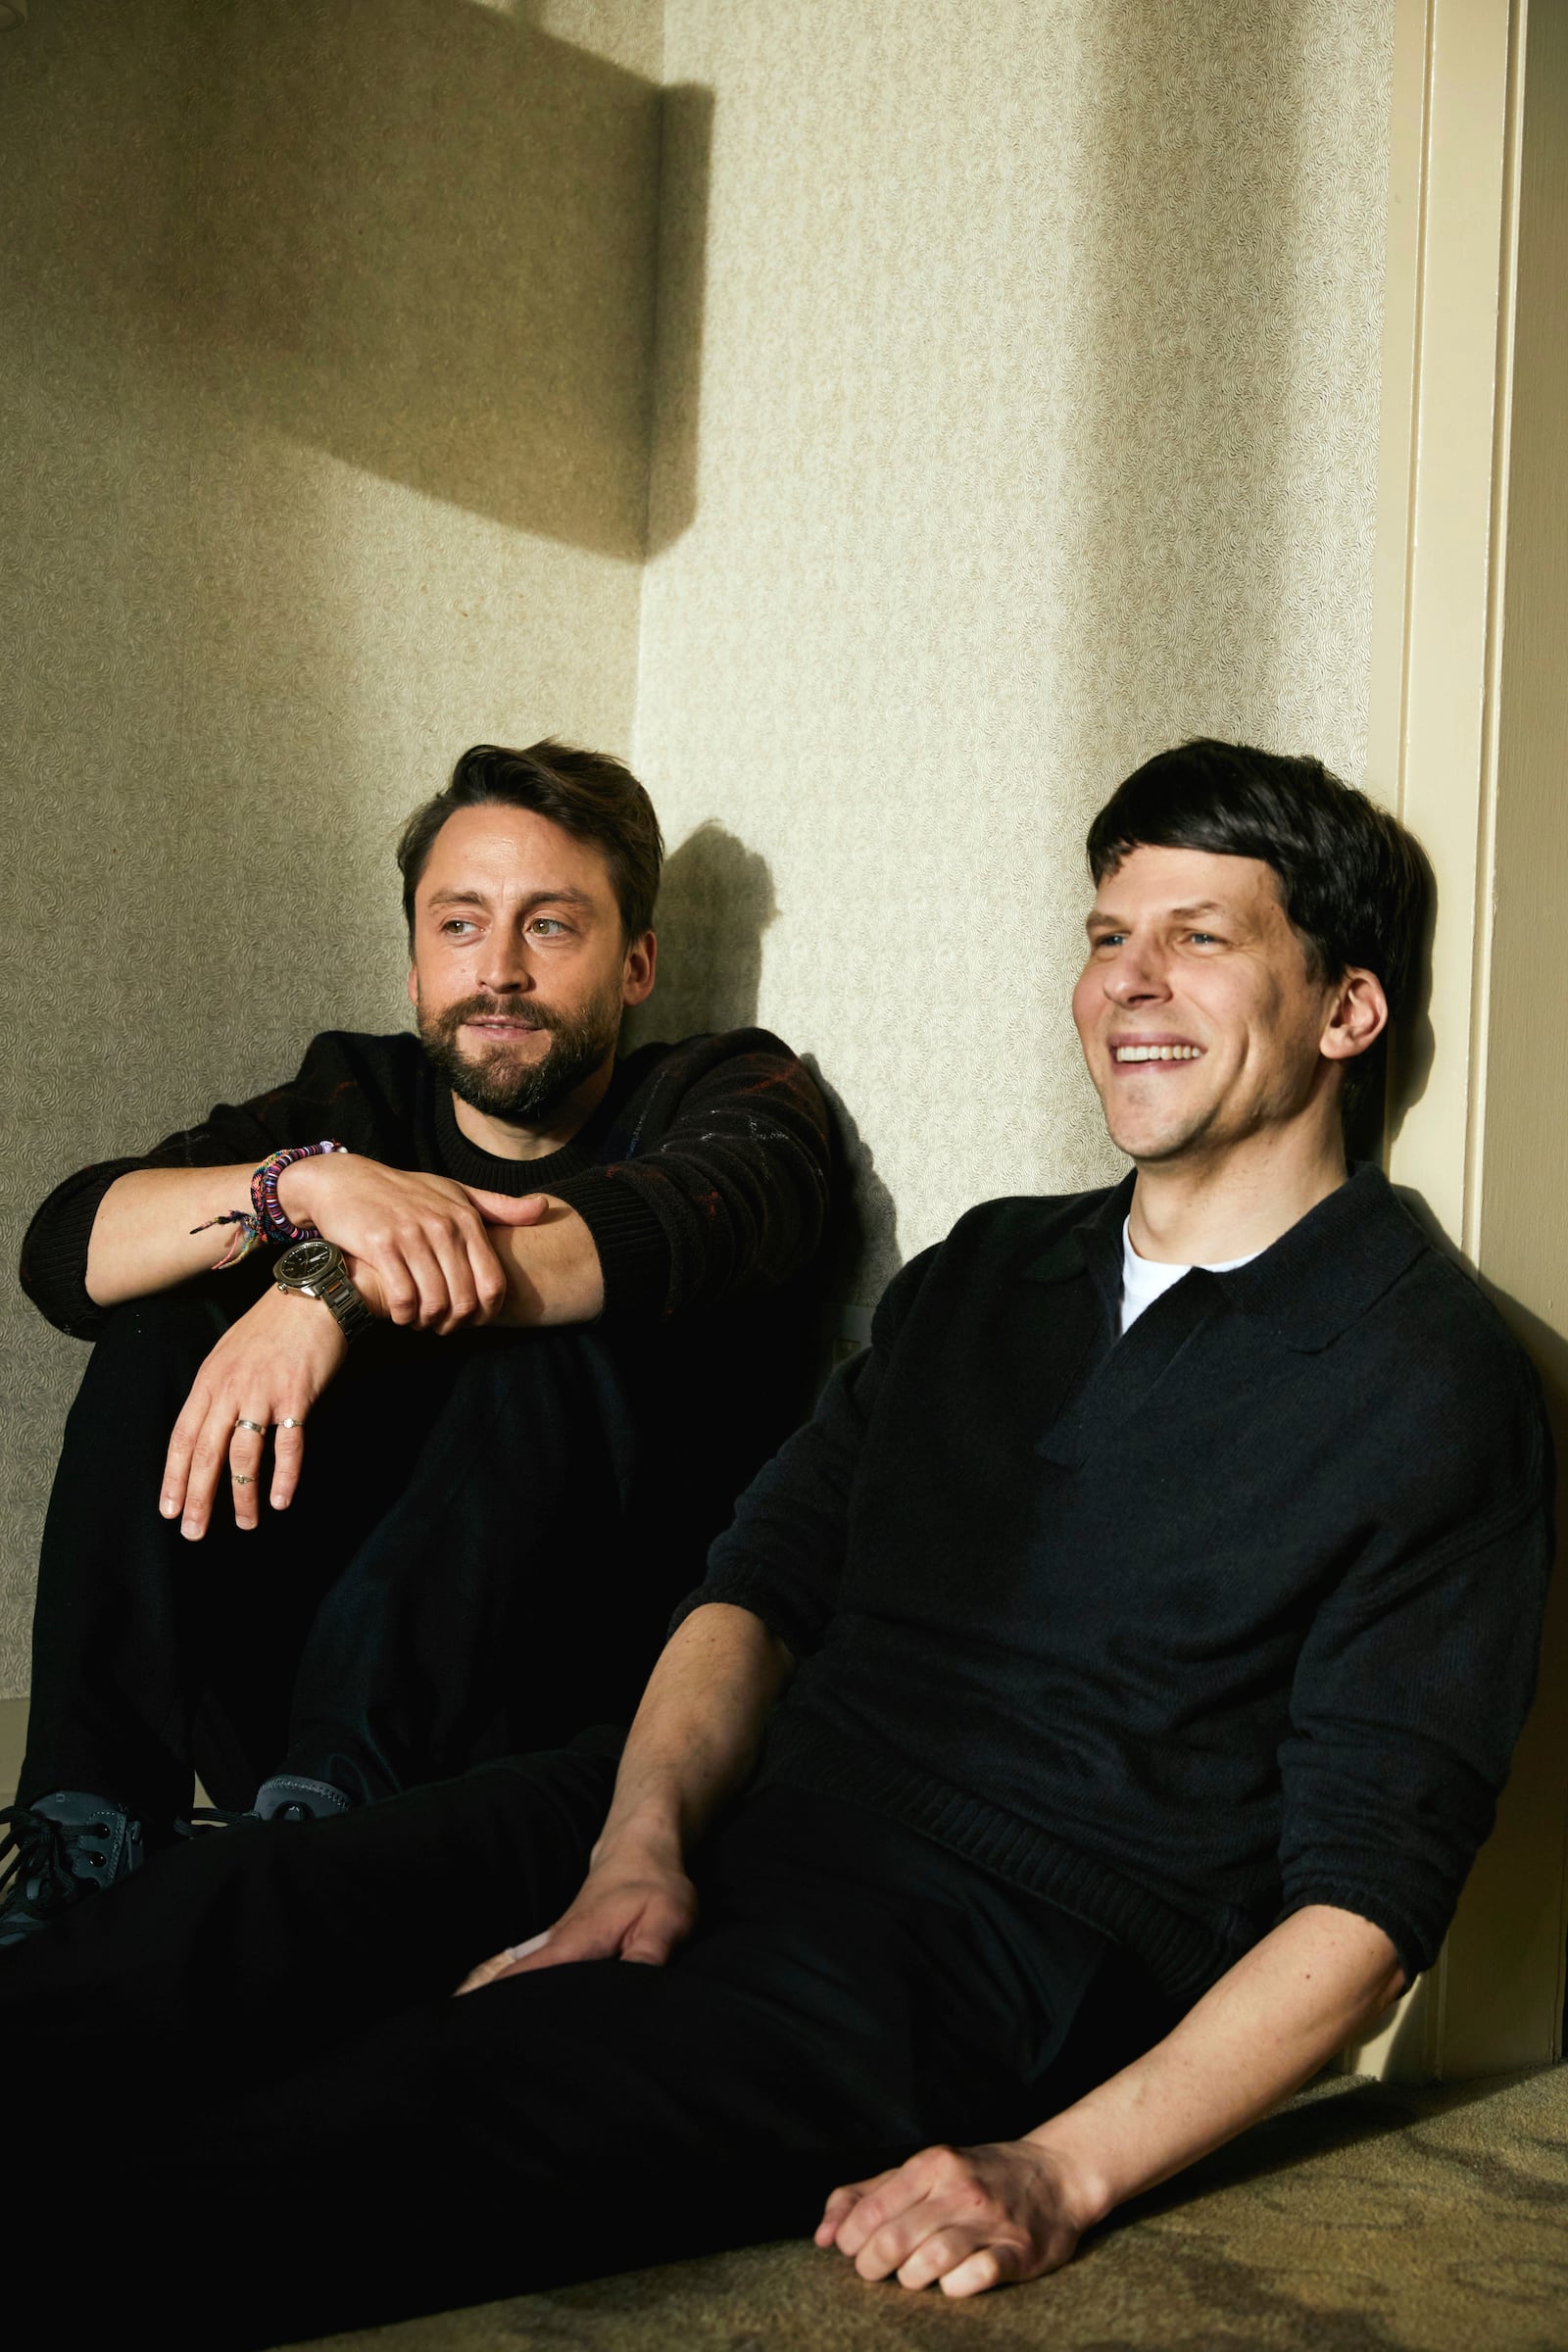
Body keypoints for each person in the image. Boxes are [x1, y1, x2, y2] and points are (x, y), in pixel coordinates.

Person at [0, 740, 1549, 2349]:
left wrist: (1055, 2171)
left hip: (983, 1944)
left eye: (1201, 937)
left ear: (1348, 1010)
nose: (1129, 986)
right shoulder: (990, 1272)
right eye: (1106, 937)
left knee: (342, 2138)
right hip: (714, 1795)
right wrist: (638, 1843)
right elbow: (760, 1582)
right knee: (219, 1928)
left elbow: (1372, 1906)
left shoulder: (1426, 1380)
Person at [0, 739, 833, 1943]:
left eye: (550, 926)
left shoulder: (725, 1095)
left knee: (552, 1330)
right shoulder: (355, 1100)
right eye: (458, 925)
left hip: (558, 1698)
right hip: (294, 1705)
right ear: (412, 962)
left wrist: (319, 1293)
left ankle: (332, 1863)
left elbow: (652, 1229)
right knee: (173, 1305)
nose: (496, 970)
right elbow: (67, 1250)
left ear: (637, 960)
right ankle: (89, 1825)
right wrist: (301, 1187)